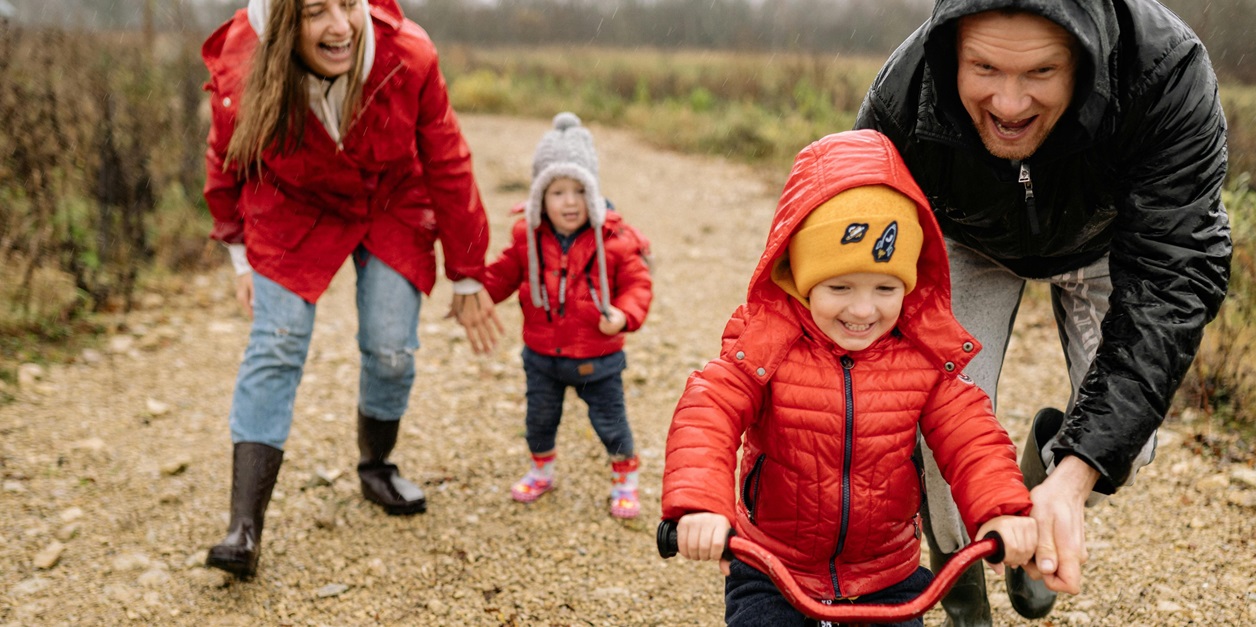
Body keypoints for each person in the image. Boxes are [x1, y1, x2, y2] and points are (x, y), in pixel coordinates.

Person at [854, 0, 1233, 623]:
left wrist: (1076, 475)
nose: (1008, 104)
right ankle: (959, 583)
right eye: (984, 68)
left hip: (1103, 243)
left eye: (1039, 73)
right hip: (968, 240)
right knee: (934, 435)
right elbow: (848, 250)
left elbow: (1174, 277)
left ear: (1084, 59)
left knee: (1124, 447)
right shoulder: (904, 96)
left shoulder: (1166, 73)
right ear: (951, 52)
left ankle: (1044, 490)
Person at [661, 129, 1037, 626]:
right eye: (839, 286)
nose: (863, 309)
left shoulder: (923, 356)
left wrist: (1001, 509)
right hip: (774, 567)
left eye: (885, 287)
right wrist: (701, 505)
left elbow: (973, 437)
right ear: (799, 275)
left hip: (888, 572)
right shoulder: (767, 341)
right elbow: (709, 411)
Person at [200, 0, 503, 577]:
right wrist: (239, 253)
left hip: (389, 201)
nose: (340, 26)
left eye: (349, 4)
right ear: (283, 23)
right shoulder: (243, 63)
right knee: (278, 341)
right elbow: (225, 160)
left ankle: (376, 466)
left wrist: (467, 272)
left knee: (391, 349)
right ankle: (244, 527)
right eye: (316, 12)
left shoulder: (408, 54)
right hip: (293, 205)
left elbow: (448, 162)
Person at [484, 113, 653, 520]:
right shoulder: (528, 237)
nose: (570, 201)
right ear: (540, 196)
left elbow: (638, 285)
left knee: (610, 422)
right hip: (542, 354)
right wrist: (477, 293)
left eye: (580, 190)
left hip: (598, 355)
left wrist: (624, 315)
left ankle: (625, 478)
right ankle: (541, 469)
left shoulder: (613, 239)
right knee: (539, 418)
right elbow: (505, 272)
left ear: (593, 193)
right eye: (558, 191)